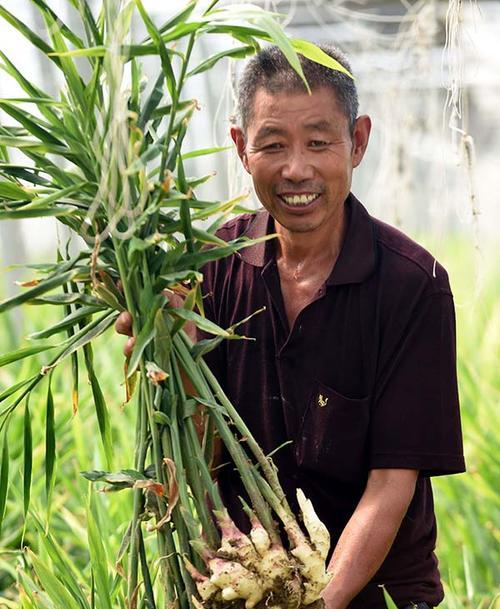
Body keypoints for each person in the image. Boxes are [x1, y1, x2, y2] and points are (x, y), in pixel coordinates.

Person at [117, 45, 465, 609]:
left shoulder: (412, 285)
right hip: (241, 585)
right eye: (273, 144)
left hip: (375, 593)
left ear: (357, 141)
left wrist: (316, 602)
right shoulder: (204, 270)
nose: (296, 169)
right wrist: (172, 360)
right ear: (241, 148)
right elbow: (191, 452)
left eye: (319, 142)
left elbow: (390, 485)